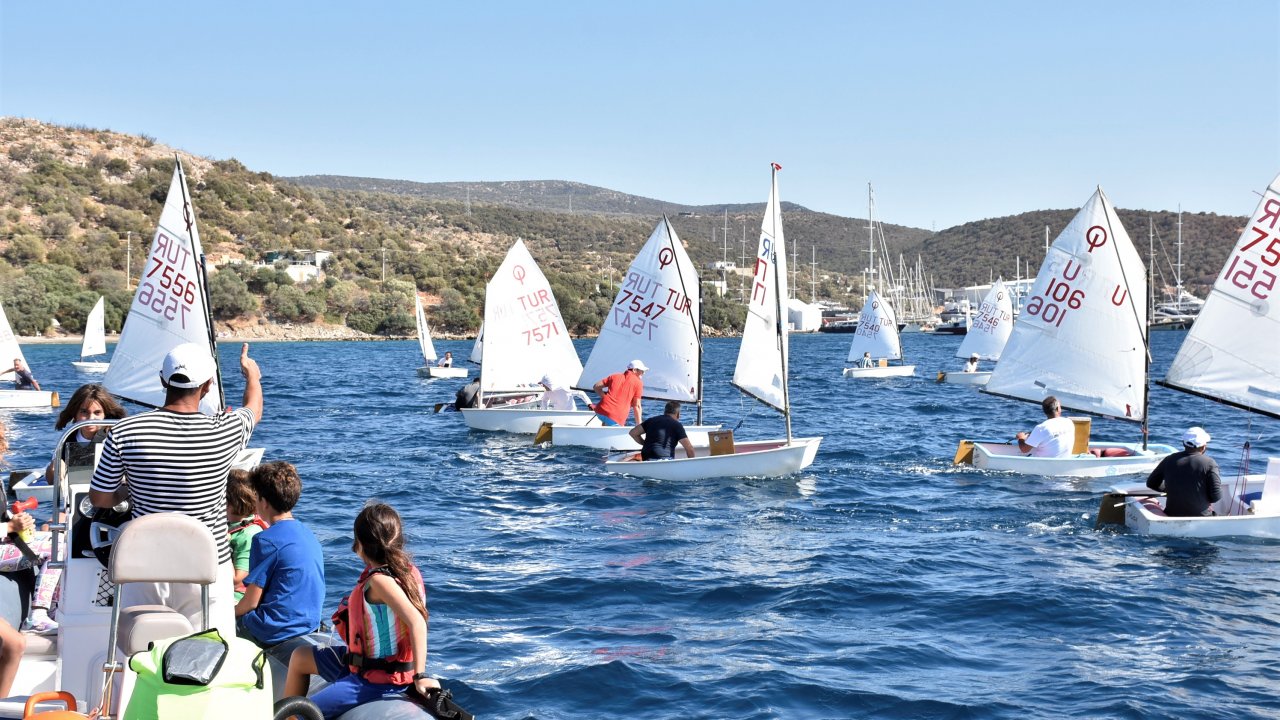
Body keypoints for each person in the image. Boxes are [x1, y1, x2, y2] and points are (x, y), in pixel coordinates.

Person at [89, 342, 263, 635]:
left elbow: (100, 496)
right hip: (206, 566)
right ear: (207, 386)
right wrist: (252, 376)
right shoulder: (224, 430)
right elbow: (253, 410)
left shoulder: (124, 431)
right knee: (207, 656)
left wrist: (128, 493)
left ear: (162, 380)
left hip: (144, 565)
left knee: (141, 651)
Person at [284, 503, 439, 718]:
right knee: (300, 656)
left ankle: (293, 716)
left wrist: (420, 675)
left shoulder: (379, 582)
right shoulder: (406, 570)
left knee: (304, 712)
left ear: (361, 545)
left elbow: (417, 622)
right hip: (362, 664)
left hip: (376, 682)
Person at [235, 462, 324, 665]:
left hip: (274, 630)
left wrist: (228, 612)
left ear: (264, 502)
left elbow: (250, 603)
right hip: (308, 624)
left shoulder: (265, 540)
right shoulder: (307, 534)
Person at [46, 383, 127, 482]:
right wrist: (56, 466)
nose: (90, 418)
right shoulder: (67, 439)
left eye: (97, 413)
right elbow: (50, 480)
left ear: (105, 414)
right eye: (84, 412)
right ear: (74, 413)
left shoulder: (115, 439)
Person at [1145, 427, 1222, 517]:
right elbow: (1216, 496)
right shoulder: (1210, 463)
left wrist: (1170, 490)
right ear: (1204, 446)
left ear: (1183, 443)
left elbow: (1151, 483)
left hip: (1172, 515)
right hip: (1202, 517)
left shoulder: (1169, 459)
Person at [226, 470, 266, 602]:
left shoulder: (248, 535)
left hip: (236, 601)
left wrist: (222, 546)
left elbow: (238, 580)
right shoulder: (236, 526)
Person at [630, 401, 696, 461]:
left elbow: (633, 433)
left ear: (664, 412)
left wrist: (644, 443)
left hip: (646, 457)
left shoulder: (651, 420)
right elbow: (689, 449)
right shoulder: (677, 425)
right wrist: (692, 466)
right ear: (678, 414)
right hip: (663, 459)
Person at [592, 359, 647, 427]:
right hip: (615, 417)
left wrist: (605, 398)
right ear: (634, 370)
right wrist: (639, 426)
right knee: (614, 426)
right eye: (642, 371)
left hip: (600, 411)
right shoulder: (638, 383)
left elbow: (596, 386)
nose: (643, 373)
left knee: (607, 421)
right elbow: (637, 406)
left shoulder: (614, 376)